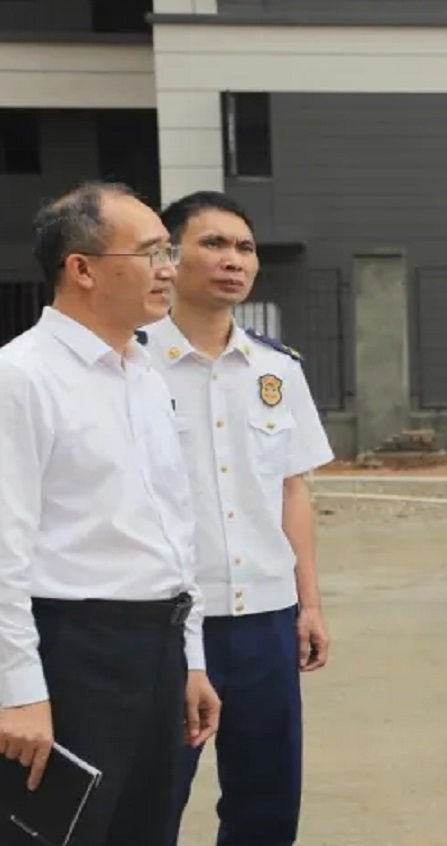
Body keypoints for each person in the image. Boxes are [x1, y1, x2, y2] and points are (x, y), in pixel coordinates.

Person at [0, 181, 221, 846]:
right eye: (151, 252)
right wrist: (18, 691)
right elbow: (4, 549)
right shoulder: (22, 377)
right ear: (83, 269)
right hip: (72, 652)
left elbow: (173, 527)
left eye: (168, 252)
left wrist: (189, 657)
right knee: (61, 834)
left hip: (156, 647)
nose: (168, 269)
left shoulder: (142, 373)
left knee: (147, 829)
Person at [144, 191, 336, 845]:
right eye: (214, 244)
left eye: (245, 248)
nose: (234, 260)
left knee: (267, 804)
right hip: (165, 620)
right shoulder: (129, 362)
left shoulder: (277, 369)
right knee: (151, 800)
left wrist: (309, 605)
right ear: (169, 258)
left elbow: (291, 489)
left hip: (265, 619)